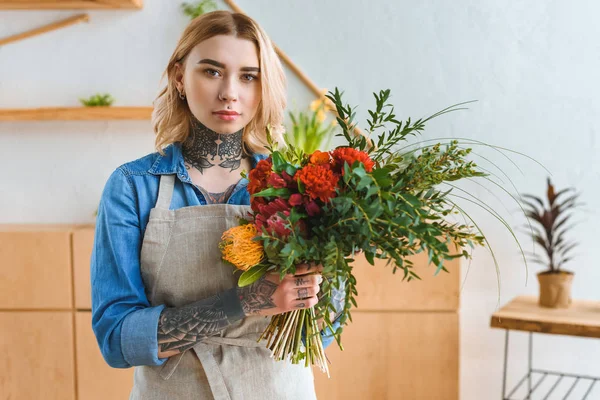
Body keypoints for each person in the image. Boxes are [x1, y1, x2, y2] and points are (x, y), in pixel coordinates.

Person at [91, 10, 342, 400]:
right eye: (211, 71)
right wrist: (247, 301)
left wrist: (328, 288)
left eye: (248, 76)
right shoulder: (132, 187)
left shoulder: (294, 186)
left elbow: (319, 336)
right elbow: (117, 338)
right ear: (179, 77)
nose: (230, 92)